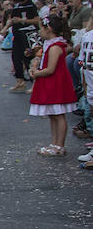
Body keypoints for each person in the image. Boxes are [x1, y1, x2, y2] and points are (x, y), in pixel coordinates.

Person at [28, 15, 78, 156]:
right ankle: (54, 142)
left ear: (48, 29)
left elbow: (51, 69)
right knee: (53, 114)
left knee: (58, 114)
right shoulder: (50, 44)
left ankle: (59, 145)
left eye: (41, 29)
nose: (39, 32)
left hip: (55, 82)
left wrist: (37, 73)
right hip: (50, 81)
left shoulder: (55, 47)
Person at [9, 0, 41, 93]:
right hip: (17, 33)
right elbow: (13, 19)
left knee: (28, 58)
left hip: (28, 35)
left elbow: (37, 20)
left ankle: (35, 82)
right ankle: (20, 81)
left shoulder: (30, 4)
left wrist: (23, 20)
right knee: (16, 57)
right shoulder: (16, 5)